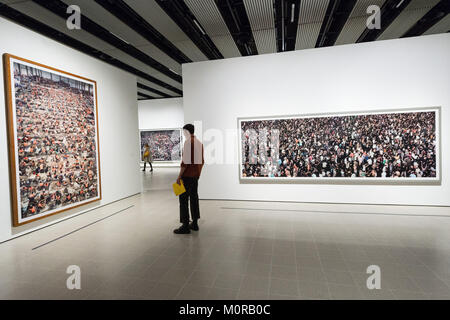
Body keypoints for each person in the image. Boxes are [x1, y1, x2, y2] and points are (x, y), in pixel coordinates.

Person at [174, 124, 204, 234]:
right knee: (194, 199)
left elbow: (185, 162)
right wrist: (198, 174)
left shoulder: (188, 143)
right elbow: (202, 161)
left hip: (187, 176)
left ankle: (185, 225)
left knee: (183, 200)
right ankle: (195, 223)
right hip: (195, 176)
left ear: (186, 131)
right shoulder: (199, 143)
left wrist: (179, 176)